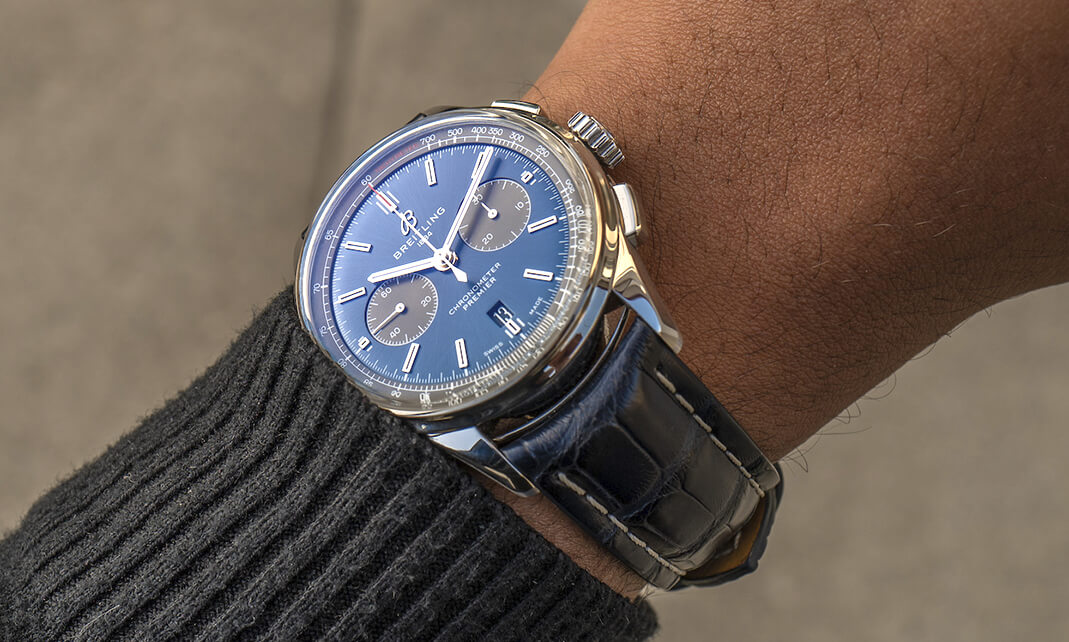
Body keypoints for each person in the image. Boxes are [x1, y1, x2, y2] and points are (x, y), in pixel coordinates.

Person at [1, 0, 1065, 639]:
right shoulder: (537, 277)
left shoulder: (588, 233)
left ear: (603, 190)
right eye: (427, 260)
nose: (443, 255)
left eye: (468, 223)